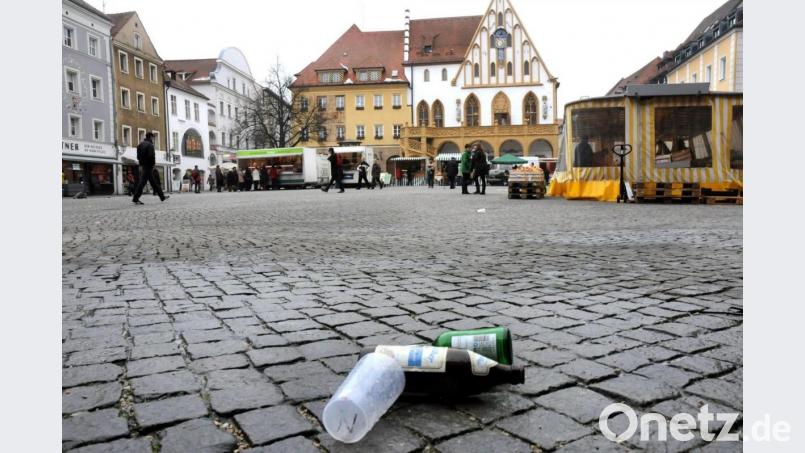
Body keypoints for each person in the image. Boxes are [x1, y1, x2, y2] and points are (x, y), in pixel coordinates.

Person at [132, 132, 168, 204]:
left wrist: (142, 163)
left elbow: (138, 157)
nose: (153, 139)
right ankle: (135, 199)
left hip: (143, 165)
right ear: (151, 137)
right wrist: (153, 164)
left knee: (153, 182)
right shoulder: (150, 145)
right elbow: (151, 156)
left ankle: (162, 197)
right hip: (148, 166)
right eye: (153, 137)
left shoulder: (140, 145)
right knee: (142, 183)